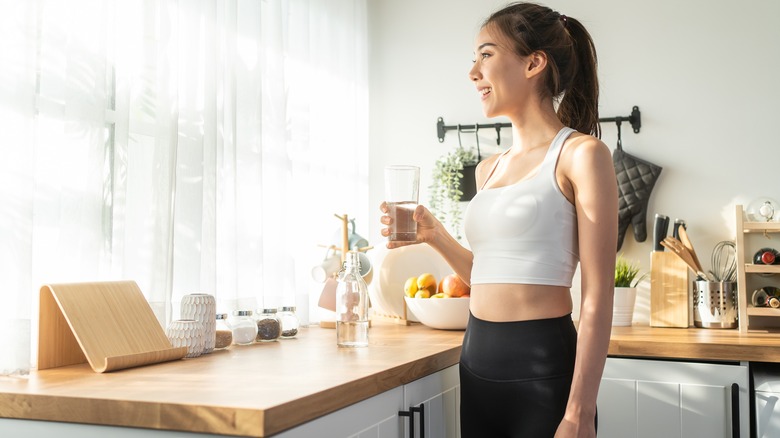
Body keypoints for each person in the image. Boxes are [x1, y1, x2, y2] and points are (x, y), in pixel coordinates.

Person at [380, 3, 617, 437]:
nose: (473, 72)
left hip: (544, 368)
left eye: (486, 55)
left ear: (533, 62)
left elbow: (598, 296)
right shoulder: (488, 169)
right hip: (476, 362)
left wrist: (580, 411)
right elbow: (491, 277)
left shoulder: (582, 155)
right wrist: (435, 236)